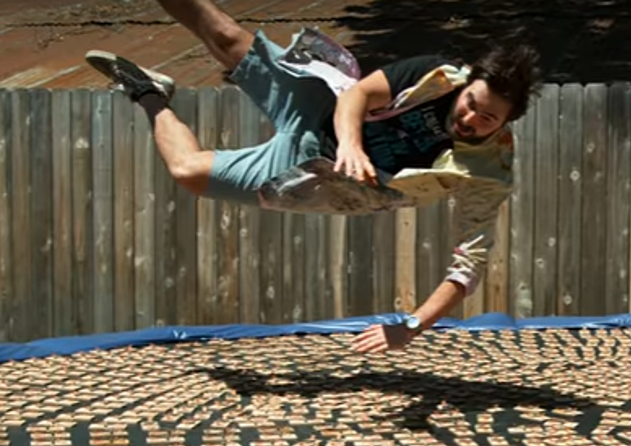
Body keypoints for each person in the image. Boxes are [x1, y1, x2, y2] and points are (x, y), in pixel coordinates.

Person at [85, 0, 542, 353]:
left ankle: (147, 92)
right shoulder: (438, 76)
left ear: (508, 123)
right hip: (320, 108)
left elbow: (468, 268)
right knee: (225, 35)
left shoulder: (488, 174)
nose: (470, 119)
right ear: (466, 86)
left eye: (487, 119)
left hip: (317, 176)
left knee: (186, 170)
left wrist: (411, 326)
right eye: (471, 104)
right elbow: (359, 94)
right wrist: (351, 144)